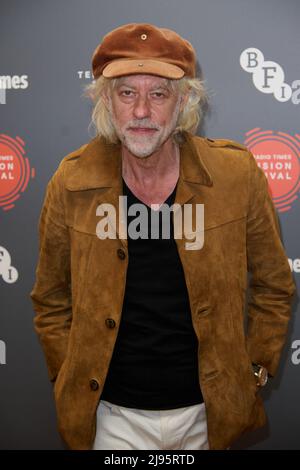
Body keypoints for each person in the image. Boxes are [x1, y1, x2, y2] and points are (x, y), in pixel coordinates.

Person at [30, 23, 296, 451]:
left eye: (158, 94)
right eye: (126, 93)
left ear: (185, 101)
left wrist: (253, 370)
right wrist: (69, 374)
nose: (140, 112)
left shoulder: (235, 175)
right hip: (110, 419)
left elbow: (273, 285)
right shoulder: (72, 180)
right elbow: (50, 296)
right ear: (104, 100)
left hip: (208, 417)